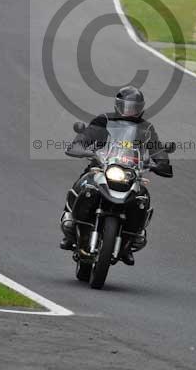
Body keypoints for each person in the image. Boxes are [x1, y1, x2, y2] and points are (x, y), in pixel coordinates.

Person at [60, 86, 173, 265]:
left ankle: (129, 241)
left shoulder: (146, 128)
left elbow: (156, 148)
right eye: (127, 106)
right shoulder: (104, 120)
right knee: (83, 184)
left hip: (130, 172)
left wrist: (161, 162)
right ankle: (71, 224)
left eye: (134, 107)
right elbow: (85, 137)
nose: (130, 110)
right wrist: (82, 147)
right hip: (102, 166)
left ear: (141, 108)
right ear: (118, 105)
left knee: (142, 198)